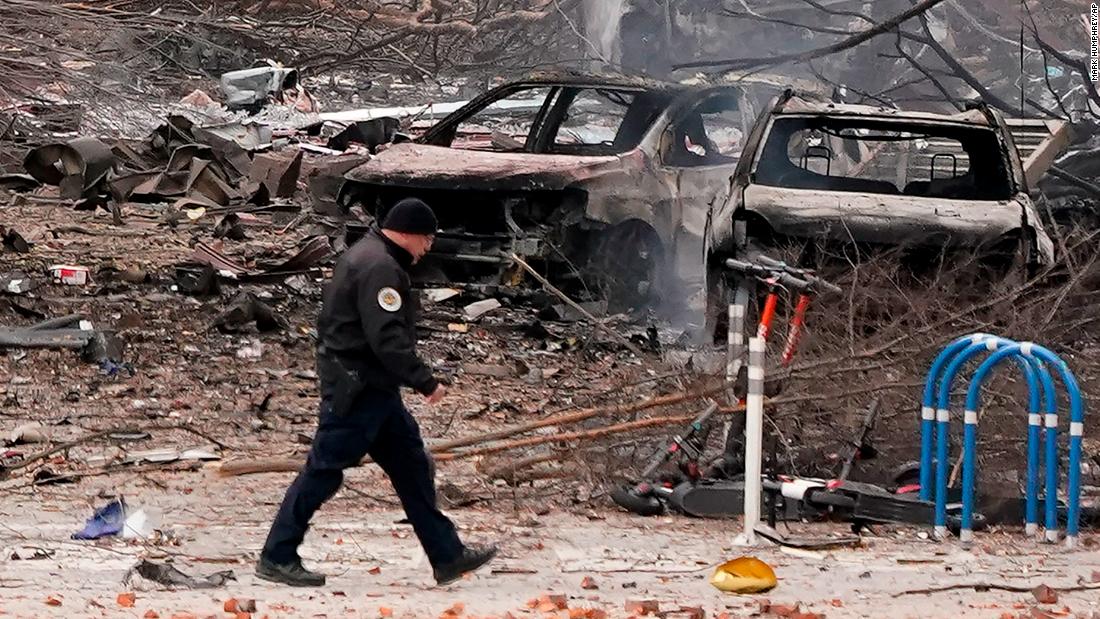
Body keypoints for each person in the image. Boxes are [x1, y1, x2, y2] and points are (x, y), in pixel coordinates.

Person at [256, 198, 497, 587]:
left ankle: (447, 555)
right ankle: (277, 555)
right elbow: (385, 337)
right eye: (426, 238)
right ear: (406, 233)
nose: (429, 246)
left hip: (374, 389)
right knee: (323, 472)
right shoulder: (380, 267)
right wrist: (424, 380)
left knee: (412, 467)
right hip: (358, 389)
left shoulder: (369, 254)